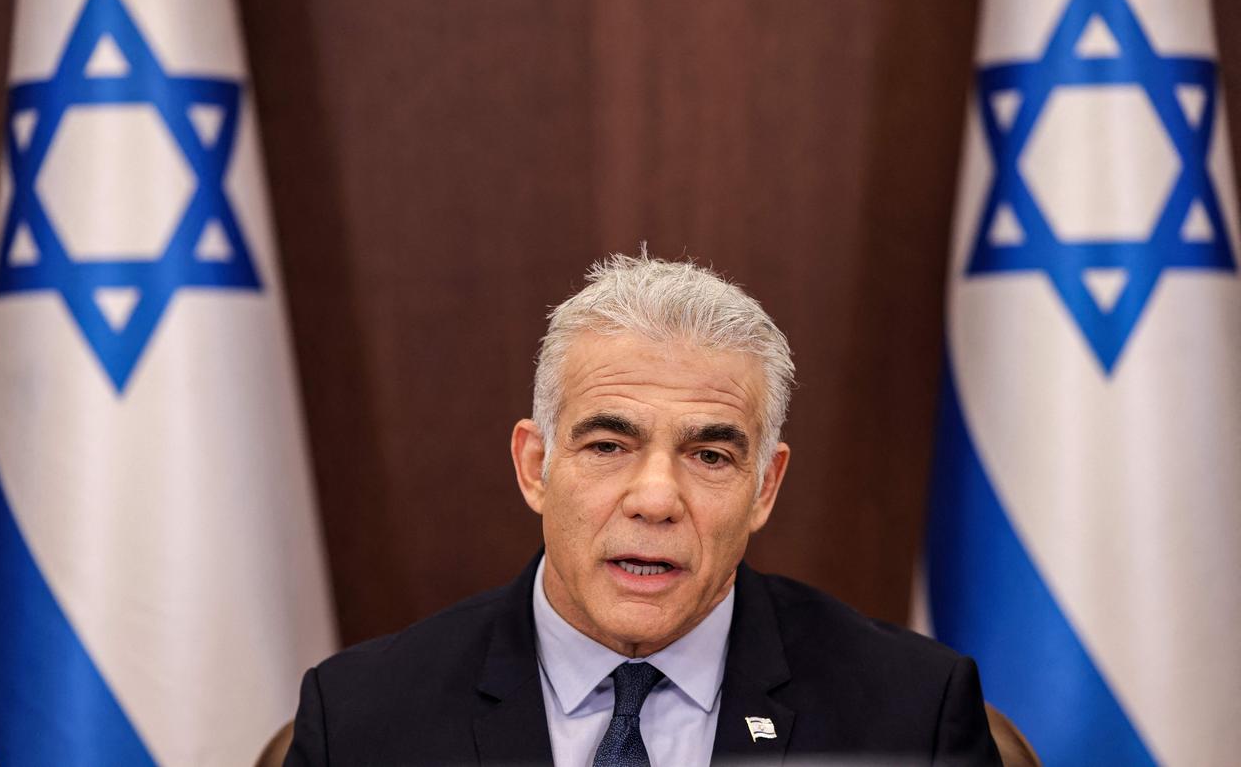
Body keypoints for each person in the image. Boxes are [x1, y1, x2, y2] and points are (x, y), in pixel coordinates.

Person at [284, 252, 1002, 766]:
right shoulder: (361, 719)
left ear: (765, 485)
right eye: (608, 445)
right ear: (536, 466)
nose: (656, 498)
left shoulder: (913, 713)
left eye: (710, 456)